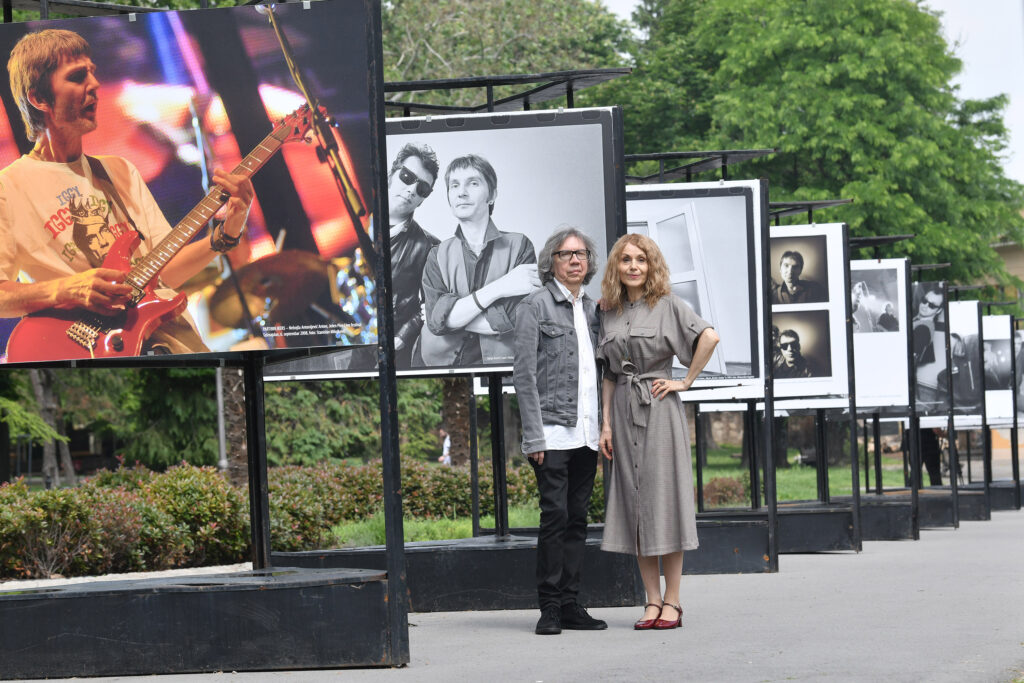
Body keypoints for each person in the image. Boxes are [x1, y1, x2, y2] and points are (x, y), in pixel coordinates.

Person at [0, 29, 253, 355]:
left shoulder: (119, 170)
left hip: (177, 346)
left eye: (93, 72)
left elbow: (163, 275)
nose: (94, 84)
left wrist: (226, 236)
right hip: (99, 354)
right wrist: (67, 289)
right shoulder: (10, 188)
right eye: (77, 76)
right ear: (39, 99)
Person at [596, 233, 720, 631]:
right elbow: (611, 373)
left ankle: (674, 601)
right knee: (635, 507)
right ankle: (651, 601)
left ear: (652, 266)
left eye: (641, 260)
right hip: (622, 408)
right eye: (626, 260)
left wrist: (686, 382)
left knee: (665, 502)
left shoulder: (667, 305)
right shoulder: (609, 312)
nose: (634, 266)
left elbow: (710, 337)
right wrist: (606, 423)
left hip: (660, 409)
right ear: (616, 267)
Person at [513, 226, 605, 636]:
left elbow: (598, 374)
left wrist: (603, 429)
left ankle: (571, 603)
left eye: (581, 254)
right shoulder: (535, 305)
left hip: (586, 434)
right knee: (555, 517)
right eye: (567, 254)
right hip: (551, 434)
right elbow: (524, 374)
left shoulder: (593, 310)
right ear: (551, 262)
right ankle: (549, 607)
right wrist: (533, 436)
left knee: (578, 519)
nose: (575, 260)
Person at [419, 154, 539, 367]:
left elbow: (515, 318)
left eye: (472, 183)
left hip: (503, 367)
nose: (461, 192)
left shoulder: (520, 246)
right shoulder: (436, 254)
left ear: (492, 195)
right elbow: (436, 323)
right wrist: (502, 287)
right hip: (439, 369)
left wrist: (451, 315)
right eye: (454, 185)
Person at [386, 143, 440, 368]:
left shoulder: (430, 246)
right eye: (407, 177)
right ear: (392, 173)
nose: (411, 190)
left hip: (393, 356)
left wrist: (402, 336)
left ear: (424, 198)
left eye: (422, 188)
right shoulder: (348, 223)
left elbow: (433, 304)